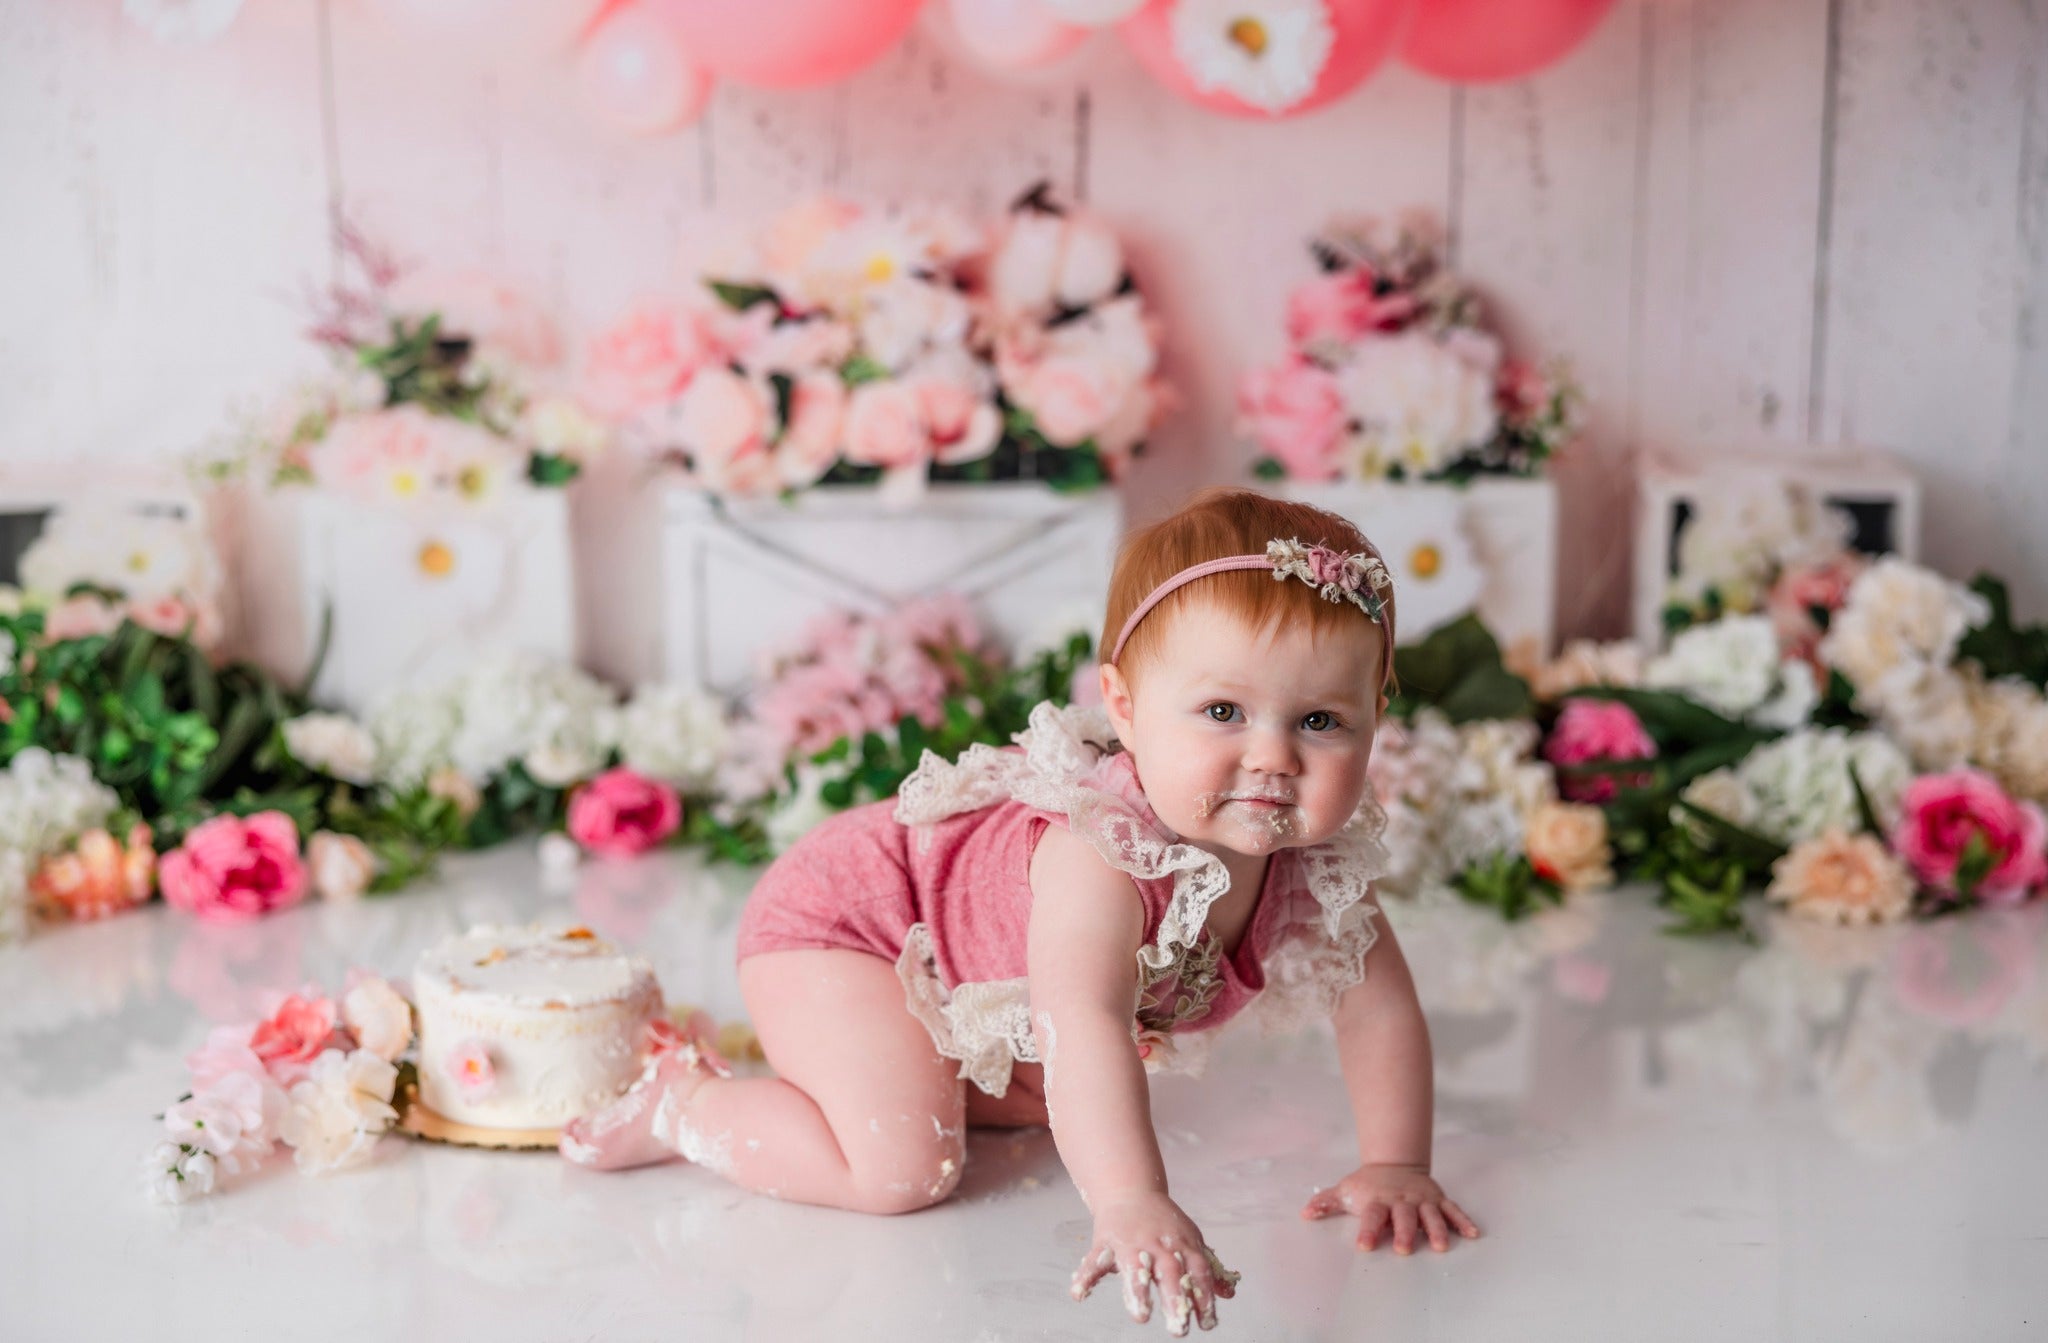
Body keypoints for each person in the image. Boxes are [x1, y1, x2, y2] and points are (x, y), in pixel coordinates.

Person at [561, 487, 1481, 1333]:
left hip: (950, 956)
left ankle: (910, 1065)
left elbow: (1380, 1009)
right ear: (1123, 706)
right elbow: (1080, 1016)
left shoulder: (1315, 865)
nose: (1273, 756)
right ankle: (682, 1104)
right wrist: (1130, 1197)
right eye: (1223, 711)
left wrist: (1396, 1162)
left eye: (1321, 721)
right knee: (903, 1171)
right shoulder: (1100, 853)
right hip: (850, 928)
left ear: (1374, 716)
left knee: (1050, 1097)